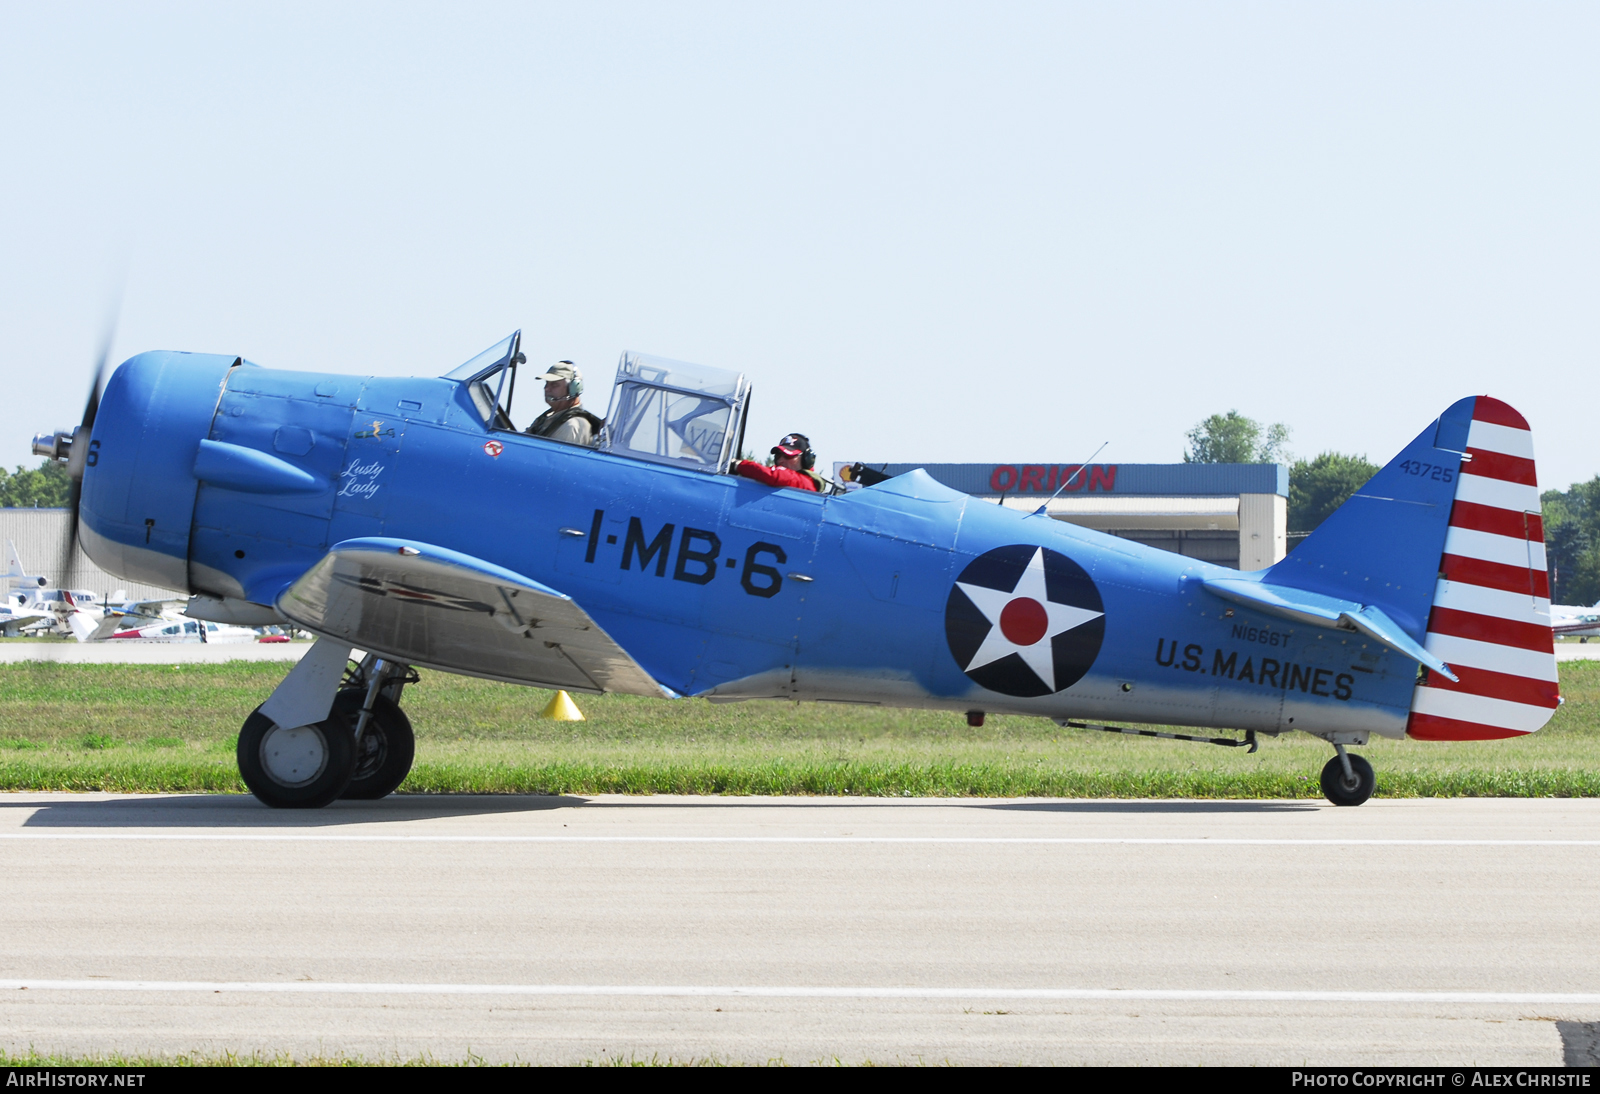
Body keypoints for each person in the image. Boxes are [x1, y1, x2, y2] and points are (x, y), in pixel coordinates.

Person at [525, 361, 603, 446]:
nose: (546, 388)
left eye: (554, 385)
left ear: (573, 389)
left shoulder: (571, 426)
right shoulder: (546, 419)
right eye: (546, 383)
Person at [734, 433, 825, 492]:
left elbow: (773, 475)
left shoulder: (807, 482)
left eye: (788, 456)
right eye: (778, 455)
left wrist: (737, 465)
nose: (780, 460)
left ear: (806, 460)